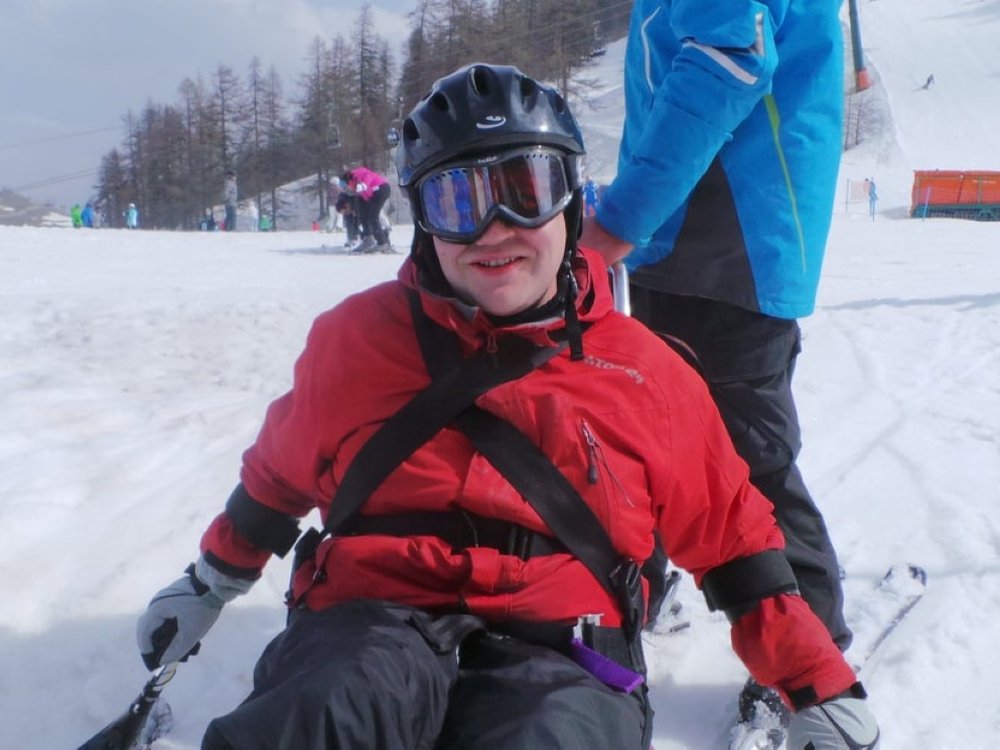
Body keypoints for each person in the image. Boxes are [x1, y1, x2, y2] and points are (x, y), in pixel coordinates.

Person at [135, 63, 878, 750]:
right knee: (321, 709)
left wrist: (816, 681)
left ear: (571, 202)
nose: (493, 230)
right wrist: (209, 583)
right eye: (457, 200)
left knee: (548, 734)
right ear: (425, 220)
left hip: (564, 638)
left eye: (524, 190)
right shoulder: (356, 342)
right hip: (368, 617)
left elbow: (734, 544)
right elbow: (276, 482)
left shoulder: (644, 371)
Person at [579, 0, 853, 724]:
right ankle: (651, 576)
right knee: (655, 430)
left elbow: (728, 61)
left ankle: (809, 648)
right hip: (690, 242)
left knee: (748, 456)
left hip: (732, 246)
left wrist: (618, 220)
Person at [343, 165, 392, 252]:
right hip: (374, 193)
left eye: (347, 186)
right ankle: (368, 238)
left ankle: (382, 242)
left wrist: (364, 184)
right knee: (364, 215)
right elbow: (365, 195)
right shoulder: (355, 182)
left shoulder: (356, 174)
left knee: (373, 216)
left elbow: (367, 176)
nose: (349, 188)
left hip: (380, 189)